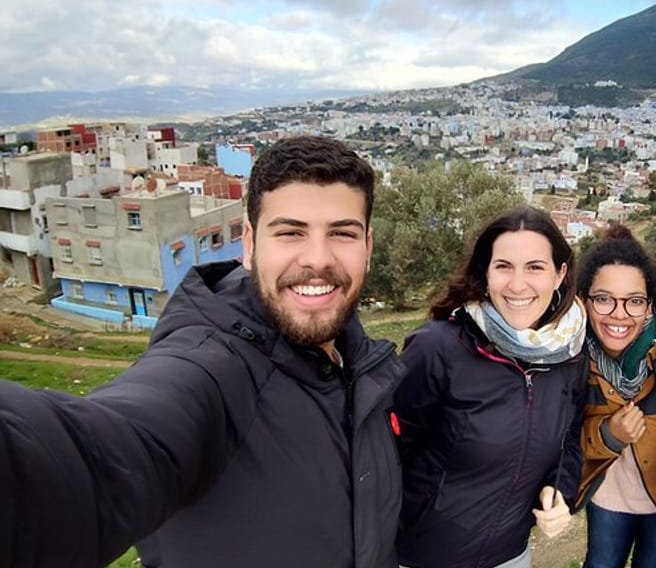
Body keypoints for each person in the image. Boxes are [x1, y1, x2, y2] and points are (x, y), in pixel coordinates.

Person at [0, 135, 406, 568]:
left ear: (368, 248)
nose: (318, 259)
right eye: (291, 232)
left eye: (342, 233)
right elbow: (108, 453)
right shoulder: (212, 369)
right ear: (249, 245)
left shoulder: (362, 362)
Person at [393, 206, 589, 568]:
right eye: (504, 267)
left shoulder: (570, 355)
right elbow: (382, 453)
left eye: (535, 267)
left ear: (560, 274)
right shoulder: (437, 349)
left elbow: (569, 439)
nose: (517, 284)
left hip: (511, 556)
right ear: (485, 272)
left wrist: (560, 490)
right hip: (422, 558)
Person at [575, 225, 656, 568]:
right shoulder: (571, 352)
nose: (619, 313)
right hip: (608, 494)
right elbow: (558, 436)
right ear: (585, 300)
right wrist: (608, 435)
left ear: (649, 302)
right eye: (603, 299)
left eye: (634, 301)